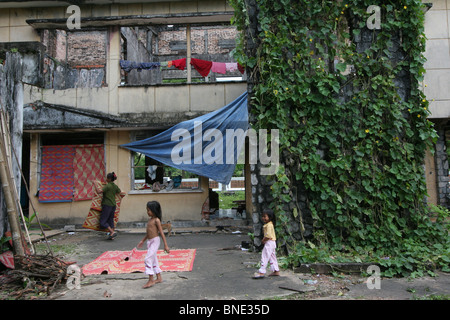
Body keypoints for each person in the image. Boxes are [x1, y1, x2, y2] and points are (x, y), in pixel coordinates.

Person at [137, 201, 170, 289]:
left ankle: (151, 279)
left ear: (155, 210)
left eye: (149, 210)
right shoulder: (150, 220)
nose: (148, 212)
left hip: (155, 241)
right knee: (153, 259)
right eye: (147, 210)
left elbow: (161, 233)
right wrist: (142, 241)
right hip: (149, 241)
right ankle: (159, 278)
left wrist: (165, 245)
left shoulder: (156, 220)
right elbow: (149, 233)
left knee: (148, 259)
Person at [253, 209, 280, 279]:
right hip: (272, 243)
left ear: (270, 217)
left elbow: (268, 235)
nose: (263, 218)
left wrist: (263, 240)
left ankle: (261, 272)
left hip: (269, 242)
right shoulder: (270, 224)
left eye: (265, 216)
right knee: (272, 257)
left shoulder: (269, 225)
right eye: (262, 216)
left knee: (264, 256)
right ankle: (276, 270)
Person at [99, 172, 121, 240]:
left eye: (107, 178)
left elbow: (99, 191)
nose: (106, 179)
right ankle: (112, 235)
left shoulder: (108, 186)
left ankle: (112, 232)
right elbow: (119, 191)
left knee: (103, 221)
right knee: (110, 220)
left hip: (107, 205)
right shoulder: (114, 186)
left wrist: (95, 185)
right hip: (113, 205)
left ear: (109, 179)